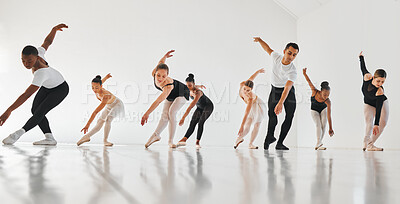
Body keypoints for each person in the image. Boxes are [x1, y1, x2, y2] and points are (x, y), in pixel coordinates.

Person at [0, 23, 69, 145]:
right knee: (35, 110)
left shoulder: (41, 73)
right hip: (48, 86)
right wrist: (54, 30)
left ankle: (17, 134)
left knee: (39, 112)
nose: (26, 64)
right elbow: (47, 42)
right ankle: (50, 138)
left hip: (60, 89)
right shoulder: (39, 53)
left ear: (36, 58)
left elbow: (27, 94)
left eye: (29, 61)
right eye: (23, 60)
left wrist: (9, 110)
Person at [253, 37, 299, 150]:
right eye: (289, 53)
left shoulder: (293, 70)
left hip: (288, 93)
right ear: (284, 51)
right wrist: (259, 40)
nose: (291, 57)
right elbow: (267, 48)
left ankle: (280, 143)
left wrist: (281, 103)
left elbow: (287, 88)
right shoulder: (276, 57)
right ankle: (269, 137)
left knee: (289, 116)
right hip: (275, 90)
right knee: (272, 115)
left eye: (294, 55)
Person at [141, 50, 189, 148]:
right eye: (158, 75)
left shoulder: (168, 86)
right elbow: (161, 63)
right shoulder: (154, 73)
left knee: (171, 112)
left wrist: (147, 113)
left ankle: (171, 141)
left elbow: (158, 101)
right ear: (155, 72)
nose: (160, 78)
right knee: (164, 114)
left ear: (167, 75)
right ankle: (156, 135)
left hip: (182, 92)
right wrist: (165, 56)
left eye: (164, 76)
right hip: (171, 95)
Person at [77, 74, 125, 146]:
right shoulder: (98, 87)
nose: (94, 90)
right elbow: (102, 81)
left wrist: (87, 125)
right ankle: (86, 137)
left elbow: (96, 112)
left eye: (96, 88)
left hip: (117, 104)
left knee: (108, 119)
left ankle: (105, 140)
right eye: (92, 87)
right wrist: (106, 77)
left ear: (101, 86)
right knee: (100, 121)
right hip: (109, 105)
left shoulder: (105, 96)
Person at [359, 51, 388, 151]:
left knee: (383, 123)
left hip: (381, 103)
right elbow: (363, 68)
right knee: (368, 123)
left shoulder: (380, 91)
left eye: (383, 81)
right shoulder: (367, 77)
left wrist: (377, 124)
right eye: (378, 81)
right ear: (373, 78)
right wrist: (361, 57)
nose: (380, 83)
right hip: (368, 103)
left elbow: (379, 107)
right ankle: (366, 143)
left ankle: (371, 144)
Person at [176, 74, 214, 149]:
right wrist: (200, 85)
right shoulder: (190, 88)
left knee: (201, 122)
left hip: (208, 106)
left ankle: (197, 142)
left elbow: (191, 106)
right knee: (192, 122)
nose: (188, 87)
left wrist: (183, 118)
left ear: (193, 84)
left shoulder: (198, 93)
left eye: (190, 85)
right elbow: (193, 86)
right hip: (200, 107)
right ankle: (184, 139)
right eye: (187, 86)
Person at [234, 68, 267, 149]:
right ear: (243, 85)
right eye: (244, 89)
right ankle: (239, 139)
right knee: (248, 124)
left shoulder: (250, 98)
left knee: (256, 124)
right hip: (252, 106)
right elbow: (252, 78)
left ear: (251, 90)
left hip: (258, 106)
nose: (245, 92)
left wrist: (241, 126)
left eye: (248, 90)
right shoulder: (242, 84)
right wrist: (258, 71)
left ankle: (251, 144)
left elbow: (246, 112)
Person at [302, 68, 334, 150]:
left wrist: (330, 128)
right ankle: (319, 143)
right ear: (321, 91)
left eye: (328, 95)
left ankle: (318, 143)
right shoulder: (314, 91)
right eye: (325, 94)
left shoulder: (328, 102)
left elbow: (329, 116)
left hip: (323, 109)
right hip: (314, 110)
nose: (326, 97)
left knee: (324, 125)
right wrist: (305, 74)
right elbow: (309, 81)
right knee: (318, 124)